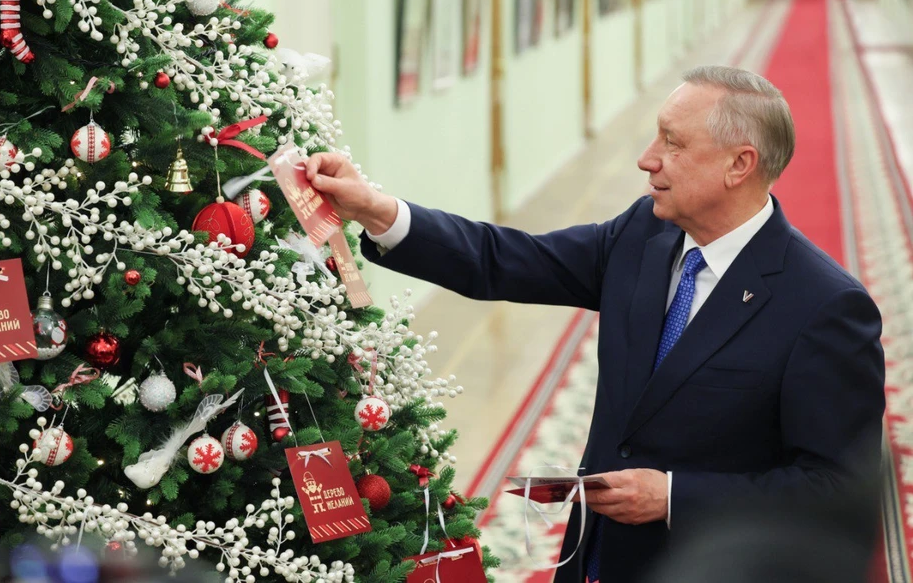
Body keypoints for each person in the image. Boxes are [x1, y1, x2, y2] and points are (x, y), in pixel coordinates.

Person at [305, 65, 886, 583]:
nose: (647, 156)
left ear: (740, 164)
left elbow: (834, 489)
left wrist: (674, 496)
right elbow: (503, 259)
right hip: (598, 556)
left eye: (673, 142)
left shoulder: (825, 306)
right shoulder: (644, 233)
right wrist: (376, 209)